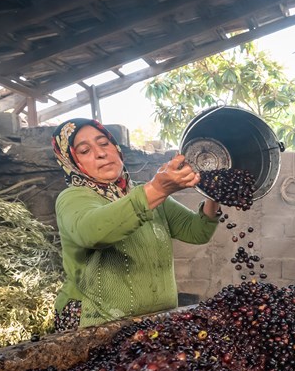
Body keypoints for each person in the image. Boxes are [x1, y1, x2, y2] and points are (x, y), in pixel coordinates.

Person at [51, 118, 220, 331]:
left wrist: (214, 194)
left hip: (153, 322)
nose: (100, 153)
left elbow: (197, 231)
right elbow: (93, 233)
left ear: (116, 147)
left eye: (104, 143)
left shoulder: (143, 193)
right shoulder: (73, 198)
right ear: (71, 161)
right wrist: (157, 189)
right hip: (96, 324)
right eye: (85, 151)